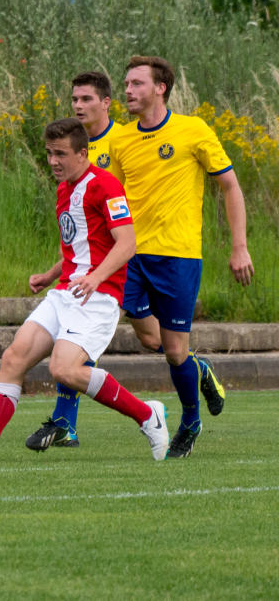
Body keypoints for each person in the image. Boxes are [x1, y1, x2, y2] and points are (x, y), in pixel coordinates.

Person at [0, 118, 169, 465]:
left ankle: (147, 415)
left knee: (64, 370)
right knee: (14, 358)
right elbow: (82, 247)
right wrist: (49, 275)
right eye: (48, 153)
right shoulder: (64, 188)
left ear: (82, 152)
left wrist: (95, 277)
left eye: (60, 154)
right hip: (65, 293)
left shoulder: (105, 186)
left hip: (100, 296)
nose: (53, 161)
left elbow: (127, 244)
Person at [107, 56, 252, 458]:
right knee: (146, 337)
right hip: (132, 256)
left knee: (173, 352)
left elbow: (230, 186)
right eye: (126, 84)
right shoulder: (121, 140)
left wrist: (238, 246)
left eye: (136, 84)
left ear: (160, 88)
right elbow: (113, 201)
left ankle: (190, 420)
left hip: (178, 258)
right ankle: (198, 369)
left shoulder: (193, 130)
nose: (128, 91)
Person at [27, 71, 131, 449]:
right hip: (92, 263)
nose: (78, 105)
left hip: (128, 251)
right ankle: (64, 423)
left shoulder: (124, 139)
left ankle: (183, 390)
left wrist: (99, 272)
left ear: (106, 102)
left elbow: (123, 223)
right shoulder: (68, 147)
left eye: (86, 99)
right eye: (74, 99)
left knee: (162, 342)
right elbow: (77, 237)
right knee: (70, 342)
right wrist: (54, 271)